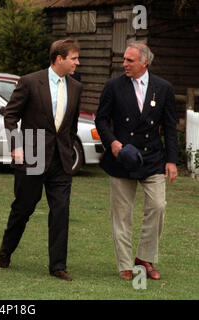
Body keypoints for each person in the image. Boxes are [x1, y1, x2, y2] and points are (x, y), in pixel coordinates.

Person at [0, 39, 82, 281]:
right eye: (74, 58)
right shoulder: (30, 81)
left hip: (61, 162)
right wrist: (16, 147)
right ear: (59, 58)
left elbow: (71, 125)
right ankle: (6, 249)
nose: (78, 62)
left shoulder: (76, 87)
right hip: (32, 157)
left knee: (61, 212)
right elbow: (11, 116)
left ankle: (58, 266)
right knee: (23, 208)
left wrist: (67, 147)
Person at [95, 42, 178, 281]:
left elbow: (170, 127)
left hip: (152, 158)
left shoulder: (163, 88)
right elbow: (101, 120)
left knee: (158, 206)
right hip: (121, 158)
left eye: (130, 61)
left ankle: (144, 258)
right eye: (124, 60)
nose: (124, 64)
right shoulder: (113, 86)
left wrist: (172, 160)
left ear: (145, 62)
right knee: (122, 214)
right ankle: (125, 265)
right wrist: (112, 142)